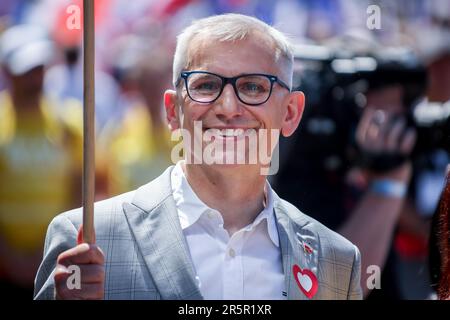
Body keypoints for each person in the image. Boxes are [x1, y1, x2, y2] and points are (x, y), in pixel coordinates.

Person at [34, 13, 362, 300]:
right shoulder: (87, 241)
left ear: (291, 113)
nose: (229, 108)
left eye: (253, 87)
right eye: (206, 86)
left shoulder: (336, 260)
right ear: (173, 111)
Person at [0, 24, 82, 298]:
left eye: (39, 69)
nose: (35, 79)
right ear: (8, 72)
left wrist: (53, 250)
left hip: (55, 264)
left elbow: (79, 192)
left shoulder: (68, 124)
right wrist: (9, 257)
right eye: (26, 71)